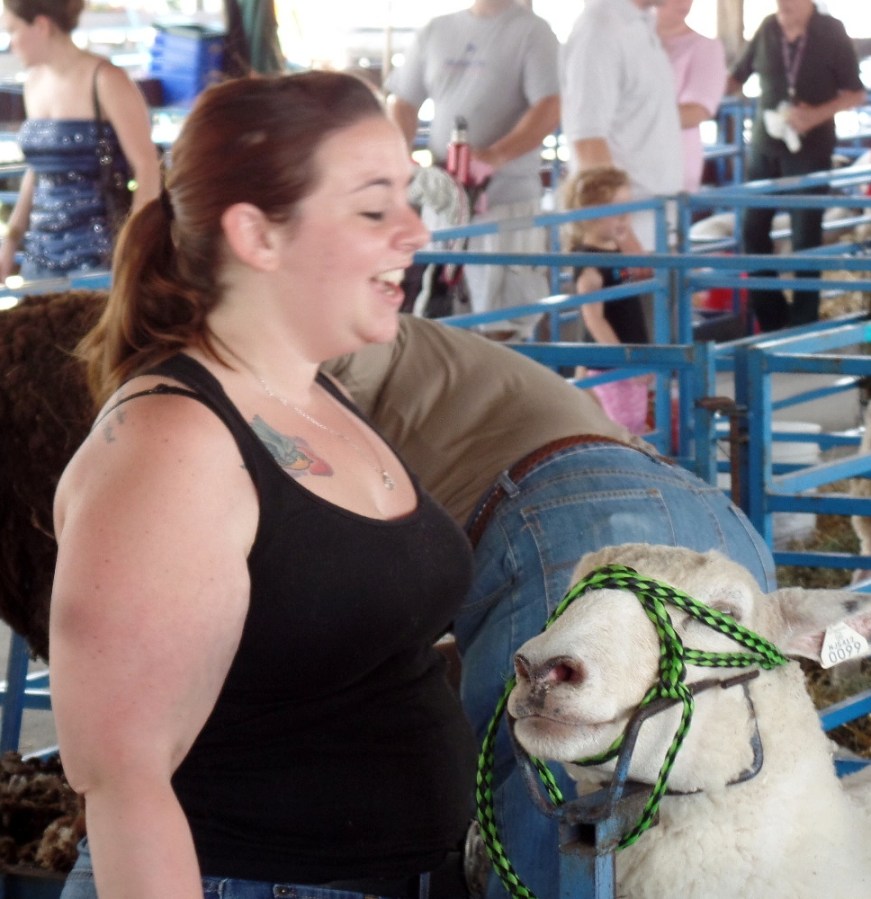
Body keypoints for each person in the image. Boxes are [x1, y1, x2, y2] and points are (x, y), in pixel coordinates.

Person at [50, 72, 478, 899]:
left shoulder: (318, 393)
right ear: (257, 234)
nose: (414, 230)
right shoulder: (172, 446)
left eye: (406, 195)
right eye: (373, 208)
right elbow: (123, 778)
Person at [325, 314, 777, 899]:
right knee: (713, 782)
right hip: (711, 520)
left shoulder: (328, 340)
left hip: (574, 523)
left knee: (545, 769)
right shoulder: (402, 346)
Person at [386, 0, 560, 339]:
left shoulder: (534, 32)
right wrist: (400, 155)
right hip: (443, 204)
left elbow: (550, 105)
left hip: (505, 204)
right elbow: (403, 99)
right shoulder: (435, 30)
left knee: (502, 319)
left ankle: (502, 369)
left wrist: (495, 157)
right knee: (436, 314)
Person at [727, 0, 865, 332]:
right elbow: (735, 78)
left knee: (806, 234)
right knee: (752, 230)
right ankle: (772, 319)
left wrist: (814, 115)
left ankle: (804, 323)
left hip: (811, 148)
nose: (783, 4)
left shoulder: (831, 31)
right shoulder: (767, 28)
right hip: (765, 145)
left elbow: (855, 93)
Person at [0, 0, 160, 282]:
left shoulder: (107, 79)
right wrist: (10, 242)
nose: (10, 43)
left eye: (13, 30)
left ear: (41, 26)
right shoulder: (33, 83)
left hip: (101, 255)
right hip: (40, 254)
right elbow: (38, 172)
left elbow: (147, 166)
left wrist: (134, 250)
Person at [560, 0, 683, 255]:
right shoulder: (599, 30)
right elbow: (588, 141)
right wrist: (626, 240)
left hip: (656, 226)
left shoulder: (639, 25)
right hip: (622, 244)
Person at [563, 165, 650, 434]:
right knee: (620, 434)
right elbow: (594, 319)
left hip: (621, 360)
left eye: (627, 207)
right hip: (609, 367)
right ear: (590, 214)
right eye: (615, 209)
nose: (625, 216)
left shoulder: (612, 249)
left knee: (631, 429)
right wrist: (626, 362)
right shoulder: (589, 263)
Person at [656, 0, 727, 193]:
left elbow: (696, 112)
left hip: (672, 164)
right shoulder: (629, 44)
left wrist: (630, 117)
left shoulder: (706, 47)